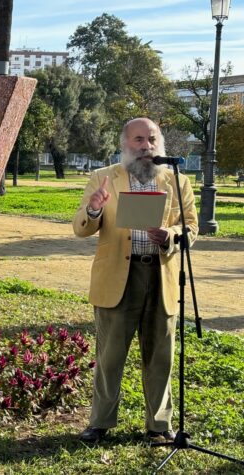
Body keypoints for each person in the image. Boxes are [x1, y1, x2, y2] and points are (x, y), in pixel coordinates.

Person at [72, 117, 198, 444]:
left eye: (152, 139)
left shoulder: (176, 180)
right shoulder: (103, 178)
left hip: (161, 275)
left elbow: (191, 228)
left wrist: (169, 235)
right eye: (139, 140)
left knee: (160, 355)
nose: (146, 146)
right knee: (110, 355)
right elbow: (81, 228)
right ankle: (99, 423)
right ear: (125, 144)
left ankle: (158, 426)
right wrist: (95, 209)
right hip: (118, 277)